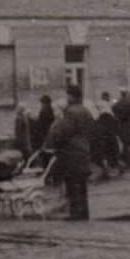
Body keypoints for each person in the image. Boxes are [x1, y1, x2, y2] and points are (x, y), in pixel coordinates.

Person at [44, 85, 95, 220]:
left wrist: (55, 137)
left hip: (72, 153)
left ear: (72, 96)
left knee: (72, 184)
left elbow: (63, 133)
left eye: (68, 95)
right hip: (84, 151)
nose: (67, 98)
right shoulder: (86, 111)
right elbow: (92, 131)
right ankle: (84, 212)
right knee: (82, 185)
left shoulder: (71, 112)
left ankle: (75, 213)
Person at [92, 99, 122, 178]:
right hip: (110, 139)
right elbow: (116, 128)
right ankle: (112, 169)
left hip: (102, 140)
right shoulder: (110, 116)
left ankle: (106, 170)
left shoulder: (98, 119)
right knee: (112, 155)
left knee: (103, 155)